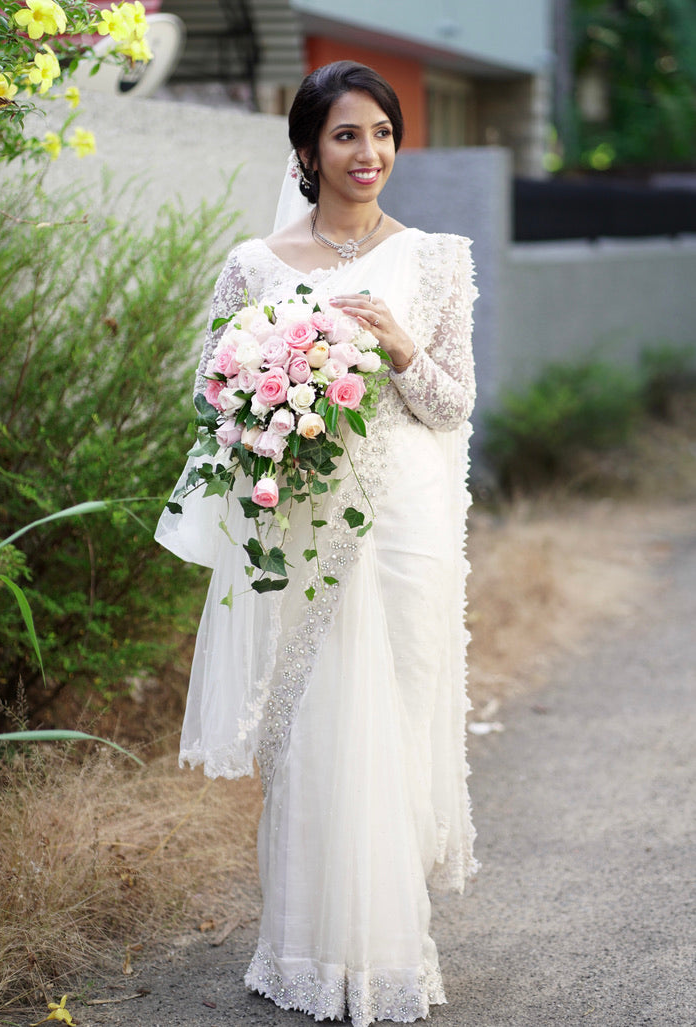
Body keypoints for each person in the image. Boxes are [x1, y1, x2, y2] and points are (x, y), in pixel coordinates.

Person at [156, 60, 479, 1027]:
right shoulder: (254, 265)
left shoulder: (434, 261)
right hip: (302, 530)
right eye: (346, 135)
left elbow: (455, 403)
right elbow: (215, 401)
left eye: (380, 133)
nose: (368, 152)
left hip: (408, 525)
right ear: (306, 150)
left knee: (398, 722)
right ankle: (303, 948)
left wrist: (400, 348)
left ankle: (387, 947)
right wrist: (272, 402)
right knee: (311, 729)